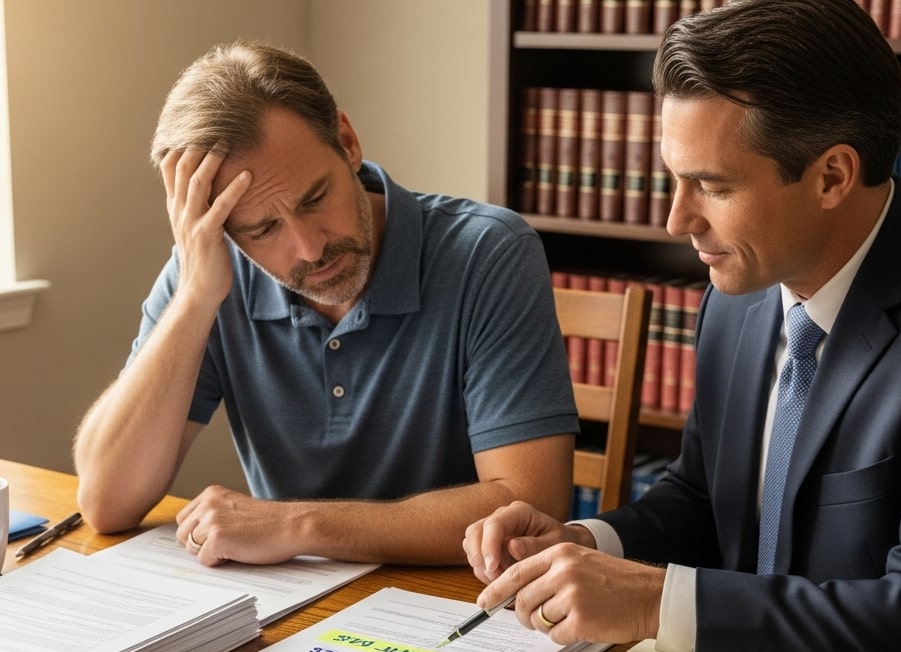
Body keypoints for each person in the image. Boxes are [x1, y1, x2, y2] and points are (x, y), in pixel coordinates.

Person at [464, 0, 901, 652]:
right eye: (674, 178)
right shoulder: (738, 294)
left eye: (712, 186)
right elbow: (706, 499)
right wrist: (586, 547)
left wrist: (658, 604)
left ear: (833, 175)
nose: (676, 219)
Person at [73, 41, 578, 567]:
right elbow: (107, 503)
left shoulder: (488, 252)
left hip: (456, 607)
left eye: (315, 199)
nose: (310, 249)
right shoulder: (209, 272)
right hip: (289, 614)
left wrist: (298, 525)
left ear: (347, 141)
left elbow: (530, 506)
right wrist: (194, 299)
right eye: (264, 229)